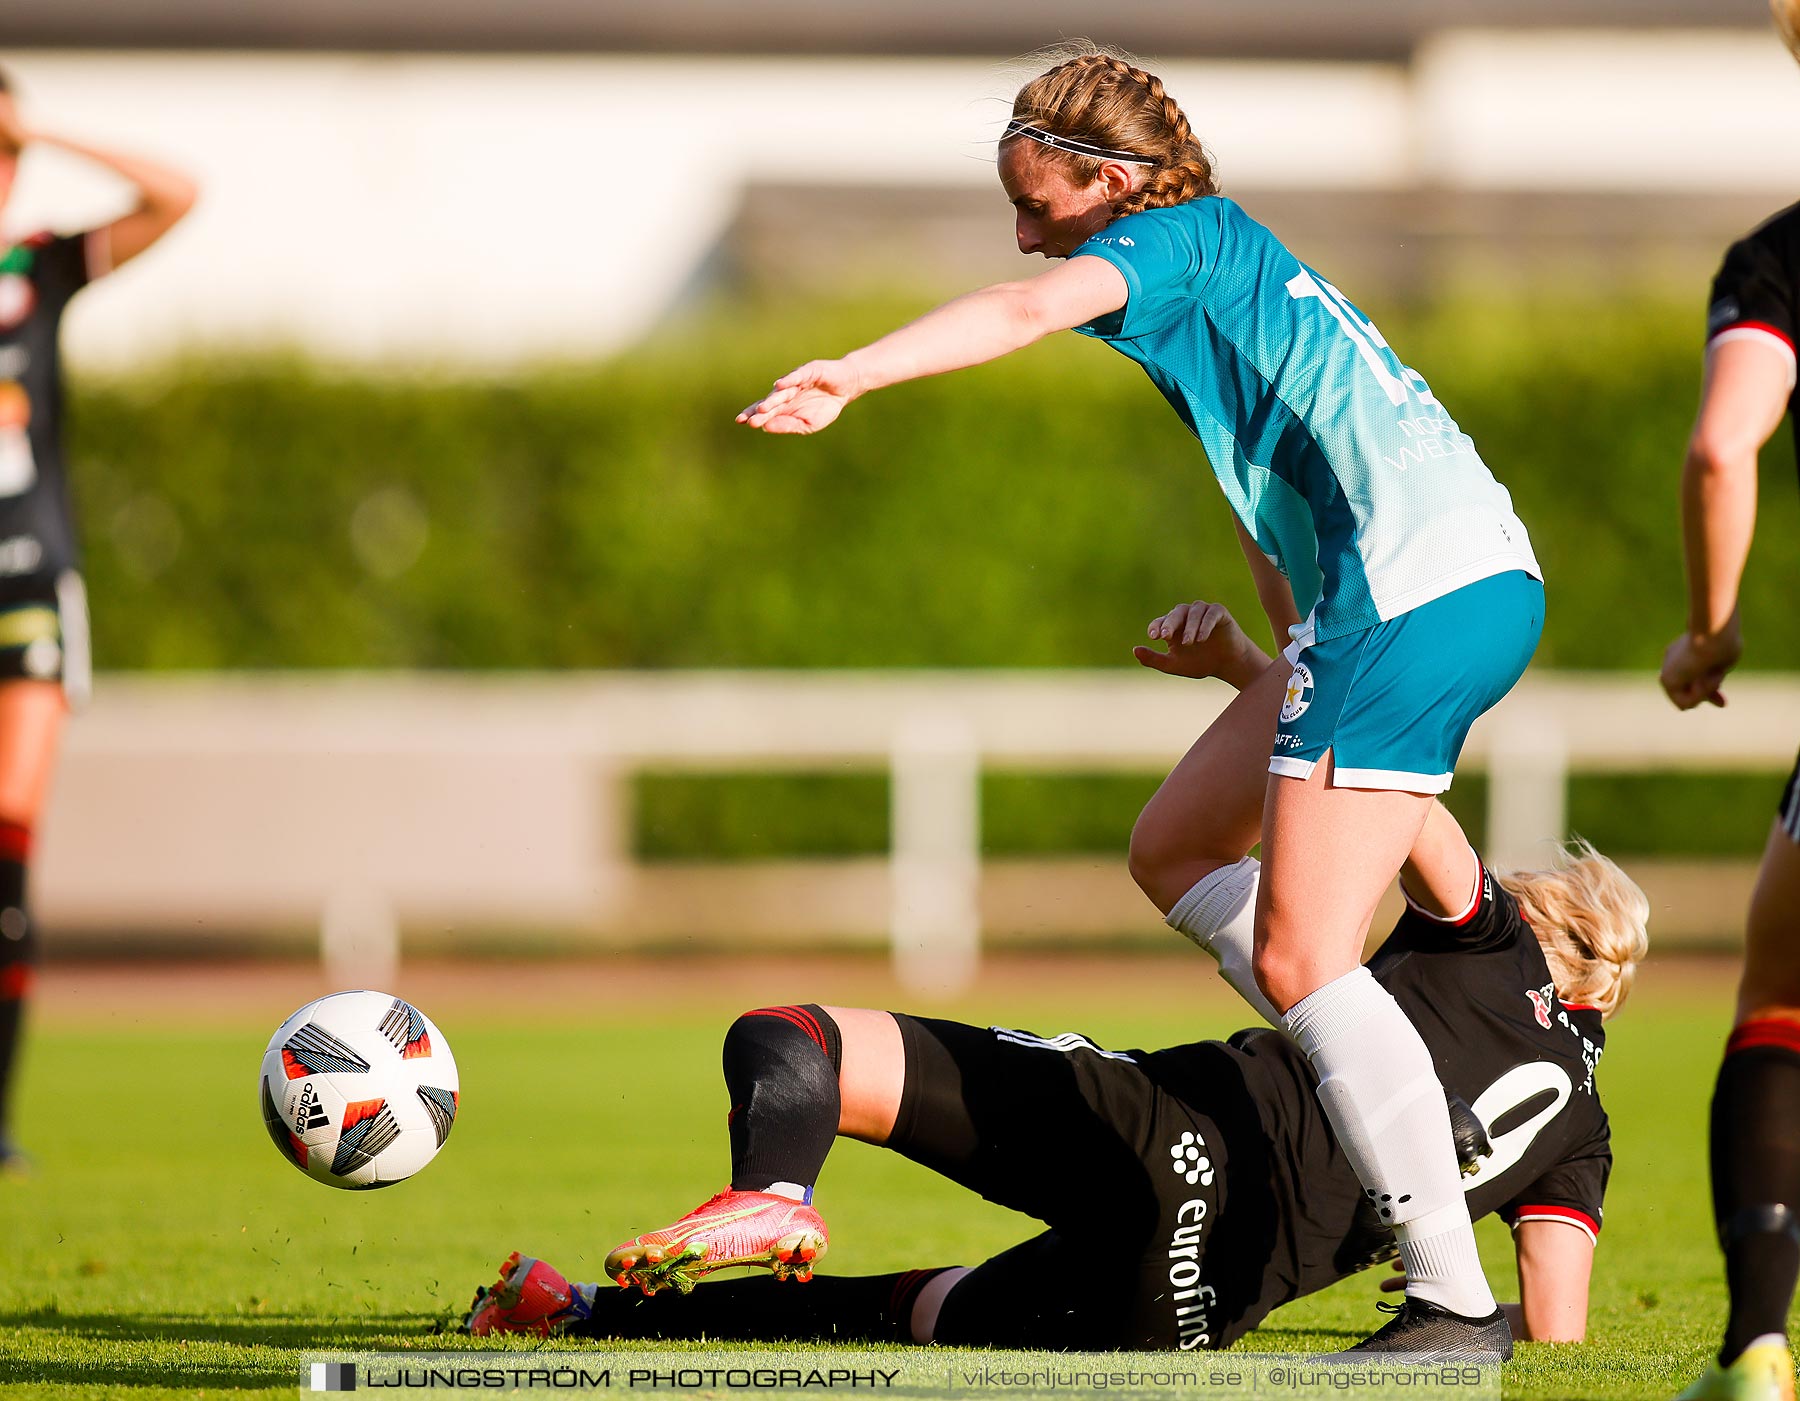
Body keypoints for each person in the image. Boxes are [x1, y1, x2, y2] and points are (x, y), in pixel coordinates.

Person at [735, 46, 1544, 1354]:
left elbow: (1011, 312)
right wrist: (1274, 662)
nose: (1023, 229)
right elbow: (1280, 504)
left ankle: (1448, 1293)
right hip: (1458, 585)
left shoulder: (1169, 244)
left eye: (1037, 202)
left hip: (1416, 598)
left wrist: (848, 372)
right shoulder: (1233, 265)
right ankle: (1372, 1080)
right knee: (1175, 848)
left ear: (1112, 183)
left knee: (1301, 955)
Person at [461, 800, 1646, 1357]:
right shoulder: (1583, 1135)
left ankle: (771, 1194)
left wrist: (1265, 669)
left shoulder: (1492, 944)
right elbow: (1555, 1329)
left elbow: (1399, 802)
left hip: (1165, 1139)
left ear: (1543, 929)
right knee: (917, 1314)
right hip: (1183, 1315)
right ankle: (580, 1315)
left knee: (793, 1039)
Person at [0, 71, 197, 1173]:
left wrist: (44, 128)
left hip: (25, 580)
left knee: (7, 850)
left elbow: (178, 193)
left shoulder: (37, 265)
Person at [1661, 10, 1800, 1400]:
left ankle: (1759, 1343)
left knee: (1781, 999)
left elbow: (1720, 445)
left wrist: (1711, 633)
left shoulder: (1778, 261)